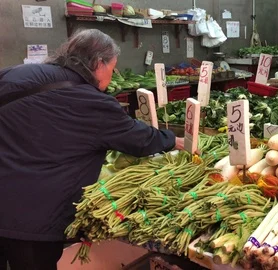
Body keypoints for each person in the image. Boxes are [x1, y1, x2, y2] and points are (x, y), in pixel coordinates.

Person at [0, 29, 184, 270]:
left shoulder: (16, 73)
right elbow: (138, 140)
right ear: (98, 63)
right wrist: (173, 140)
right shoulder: (91, 101)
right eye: (112, 67)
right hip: (32, 218)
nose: (113, 73)